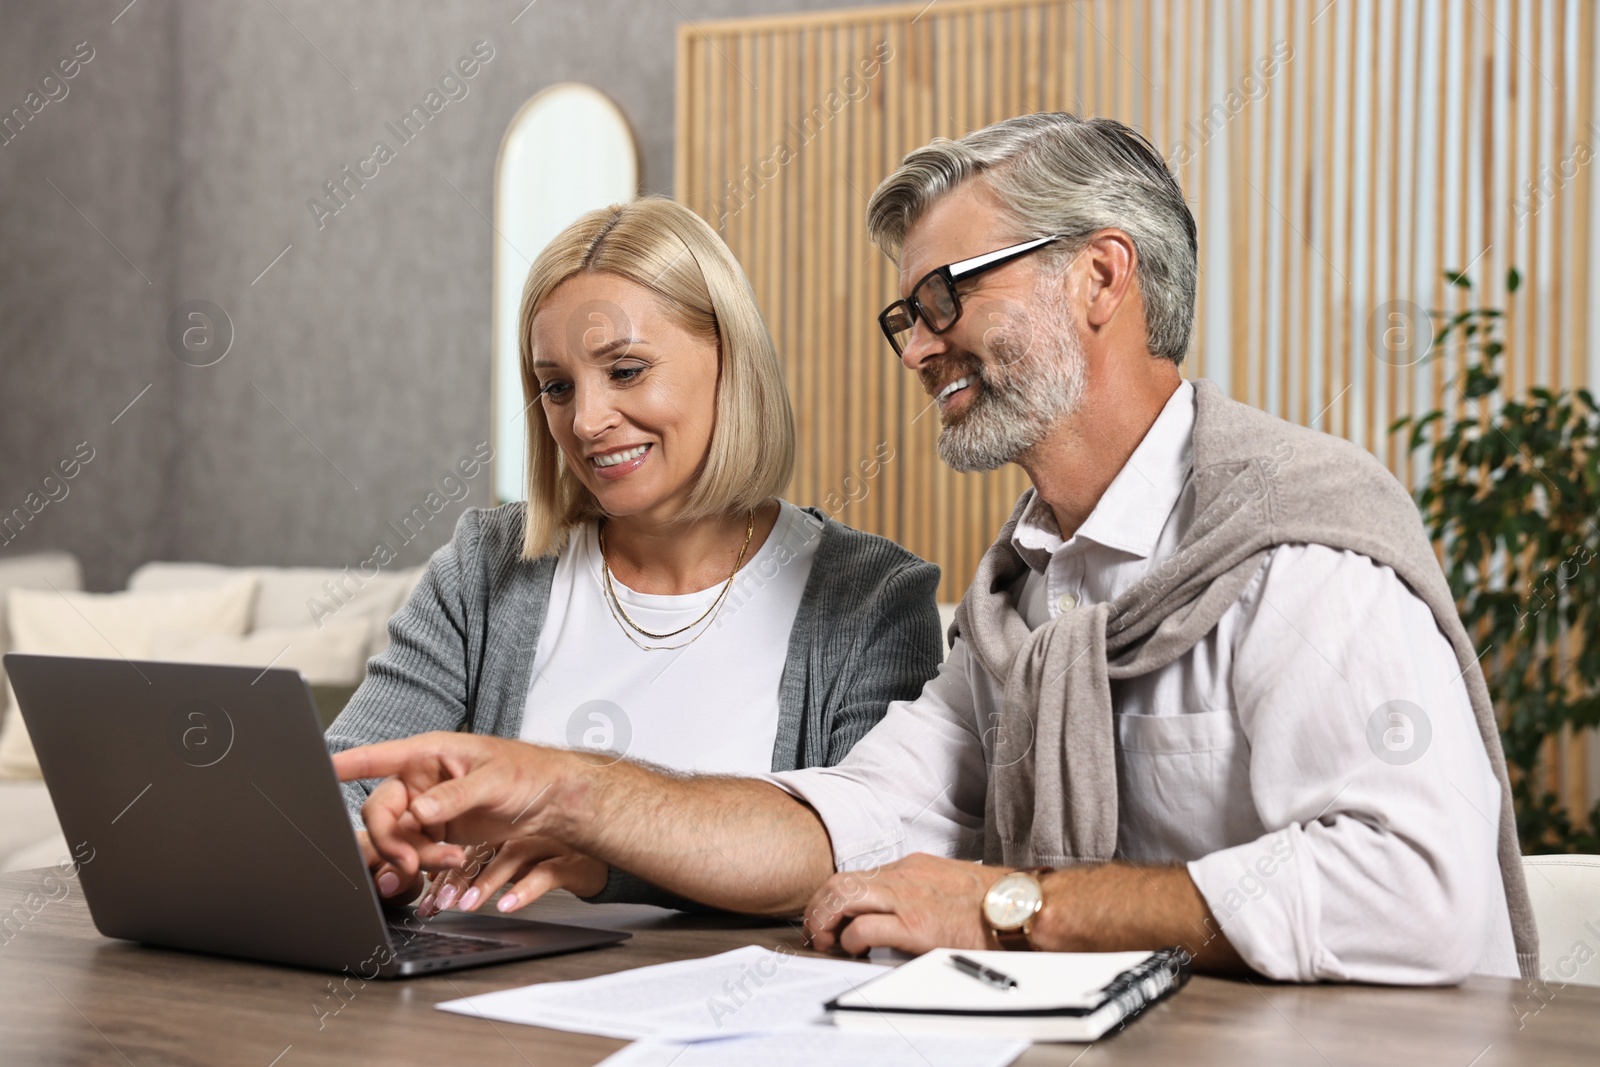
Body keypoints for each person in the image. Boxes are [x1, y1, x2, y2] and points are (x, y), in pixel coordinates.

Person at [334, 114, 1537, 984]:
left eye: (945, 297)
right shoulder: (1025, 589)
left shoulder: (1296, 546)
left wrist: (1013, 906)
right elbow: (856, 809)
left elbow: (1418, 895)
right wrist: (575, 793)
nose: (917, 349)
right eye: (907, 316)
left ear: (1100, 276)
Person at [325, 197, 942, 915]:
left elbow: (873, 858)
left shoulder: (872, 598)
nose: (586, 421)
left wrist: (600, 855)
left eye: (625, 370)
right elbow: (338, 790)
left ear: (729, 360)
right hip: (487, 1017)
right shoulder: (487, 566)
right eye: (557, 386)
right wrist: (374, 847)